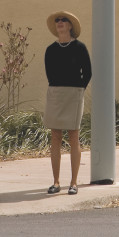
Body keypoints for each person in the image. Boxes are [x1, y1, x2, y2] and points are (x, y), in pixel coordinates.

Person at [44, 10, 91, 195]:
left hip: (74, 94)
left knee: (73, 136)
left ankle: (73, 182)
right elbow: (49, 74)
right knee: (55, 136)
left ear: (71, 26)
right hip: (56, 93)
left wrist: (78, 89)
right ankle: (56, 182)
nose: (60, 22)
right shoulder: (50, 50)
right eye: (58, 20)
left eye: (64, 20)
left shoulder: (80, 47)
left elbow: (87, 72)